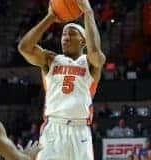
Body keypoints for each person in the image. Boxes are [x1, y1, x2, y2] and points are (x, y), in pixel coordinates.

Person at [18, 0, 106, 159]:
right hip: (53, 128)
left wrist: (88, 12)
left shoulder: (91, 62)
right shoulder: (51, 59)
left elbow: (95, 52)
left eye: (71, 33)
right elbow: (24, 47)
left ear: (83, 41)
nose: (65, 37)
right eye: (64, 34)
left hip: (80, 130)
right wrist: (50, 17)